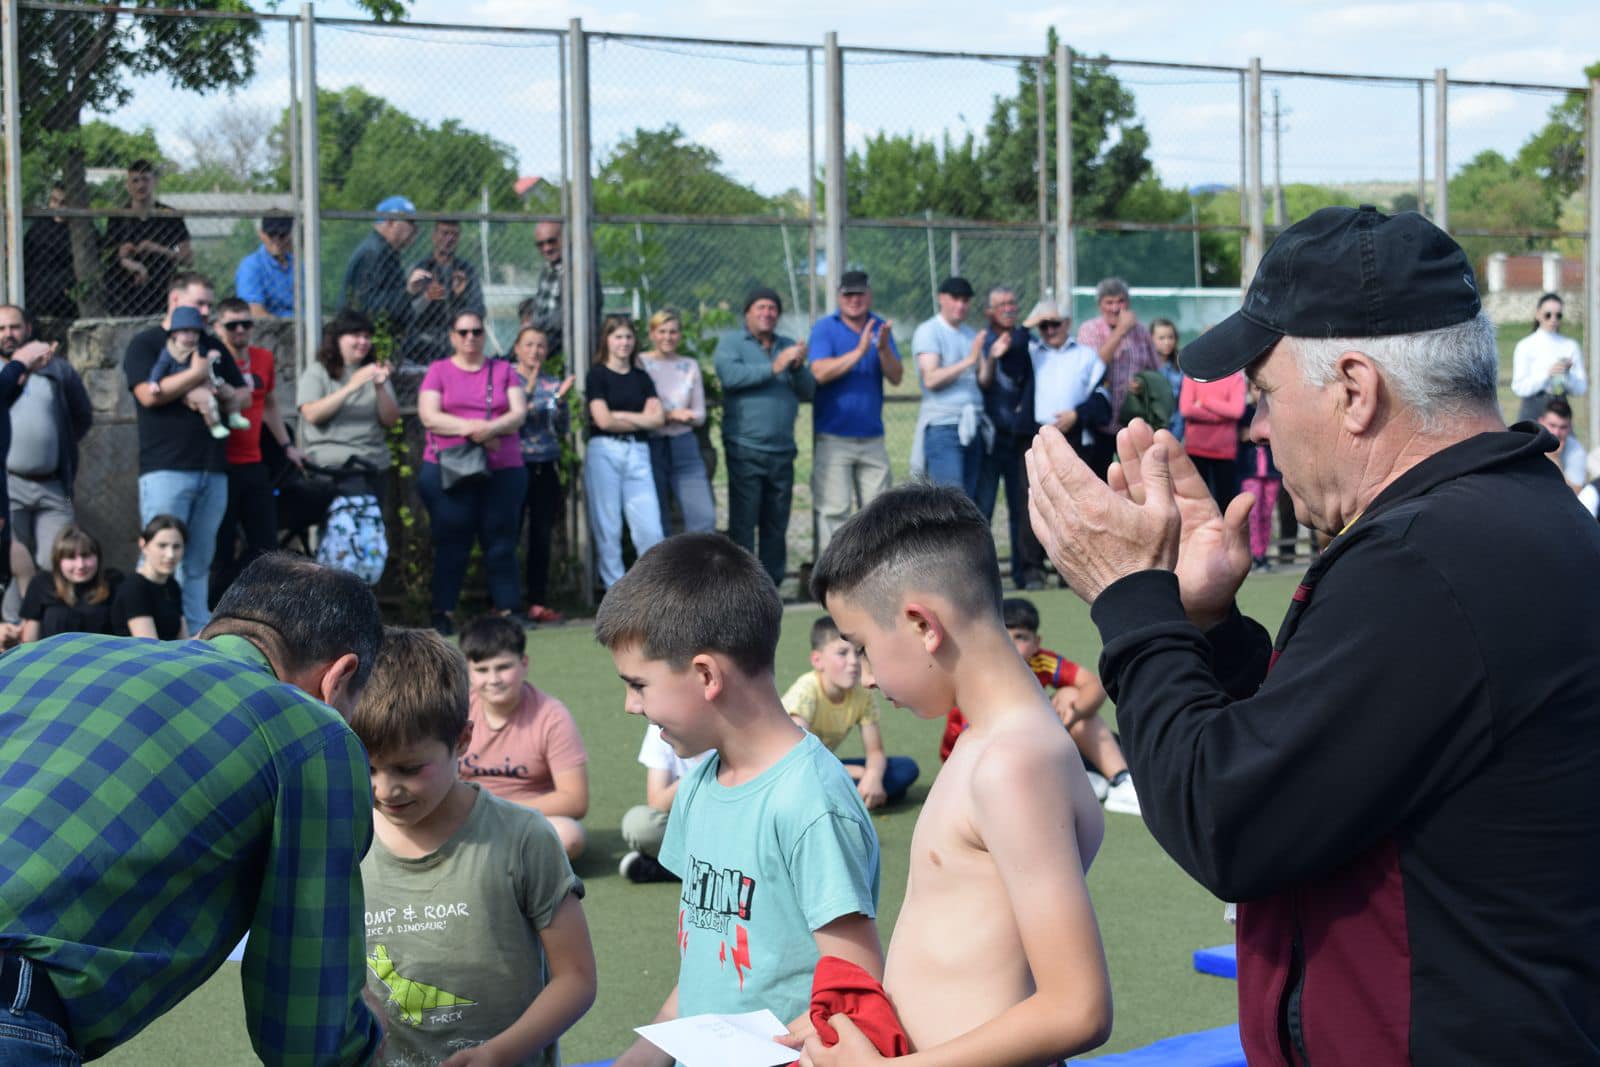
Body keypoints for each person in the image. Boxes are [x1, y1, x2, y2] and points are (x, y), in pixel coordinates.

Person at [1025, 203, 1600, 1063]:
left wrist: (1130, 599)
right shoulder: (1518, 516)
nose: (1258, 426)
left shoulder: (1423, 559)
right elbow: (1328, 760)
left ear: (1356, 390)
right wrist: (1208, 627)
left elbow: (1230, 819)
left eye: (1265, 393)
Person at [0, 552, 386, 1064]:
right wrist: (366, 1044)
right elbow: (308, 1033)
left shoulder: (43, 655)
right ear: (339, 676)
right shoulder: (313, 732)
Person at [803, 483, 1110, 1067]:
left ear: (923, 624)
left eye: (863, 646)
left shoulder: (1013, 764)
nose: (866, 676)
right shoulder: (988, 741)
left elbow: (1079, 1009)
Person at [599, 534, 883, 1067]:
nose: (631, 705)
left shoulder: (811, 802)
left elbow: (854, 985)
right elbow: (706, 969)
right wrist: (645, 1054)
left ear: (706, 675)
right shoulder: (699, 785)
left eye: (639, 685)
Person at [353, 627, 596, 1066]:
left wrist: (499, 1053)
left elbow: (576, 979)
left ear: (463, 740)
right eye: (367, 768)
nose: (385, 789)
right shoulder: (343, 842)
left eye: (409, 768)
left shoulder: (524, 837)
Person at [122, 272, 246, 634]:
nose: (206, 312)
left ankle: (194, 638)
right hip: (166, 469)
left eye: (209, 304)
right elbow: (148, 394)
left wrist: (225, 394)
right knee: (161, 558)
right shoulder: (146, 344)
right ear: (175, 301)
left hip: (213, 469)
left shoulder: (211, 343)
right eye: (199, 303)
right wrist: (197, 374)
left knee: (199, 563)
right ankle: (150, 641)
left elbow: (243, 394)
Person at [942, 596, 1137, 813]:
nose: (1011, 643)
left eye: (1021, 637)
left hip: (1025, 745)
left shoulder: (1040, 661)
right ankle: (1066, 780)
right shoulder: (977, 676)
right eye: (1003, 634)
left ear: (1036, 642)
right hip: (973, 764)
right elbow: (978, 740)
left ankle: (1120, 781)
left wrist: (1073, 712)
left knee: (1071, 695)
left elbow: (1094, 686)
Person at [417, 310, 528, 633]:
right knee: (451, 541)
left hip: (502, 468)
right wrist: (473, 429)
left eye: (477, 332)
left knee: (501, 541)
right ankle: (443, 613)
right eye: (463, 332)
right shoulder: (438, 370)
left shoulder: (503, 370)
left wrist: (491, 428)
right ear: (452, 336)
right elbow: (429, 416)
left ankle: (509, 610)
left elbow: (518, 413)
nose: (470, 338)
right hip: (448, 468)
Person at [458, 613, 590, 860]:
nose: (493, 680)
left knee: (570, 835)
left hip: (524, 820)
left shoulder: (552, 716)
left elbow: (575, 800)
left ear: (524, 663)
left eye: (503, 667)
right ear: (468, 670)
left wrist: (497, 810)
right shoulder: (456, 710)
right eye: (482, 670)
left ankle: (486, 861)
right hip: (464, 816)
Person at [715, 286, 814, 588]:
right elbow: (730, 377)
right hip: (745, 447)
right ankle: (741, 588)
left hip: (782, 450)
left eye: (772, 308)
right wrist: (775, 366)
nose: (767, 313)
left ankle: (771, 587)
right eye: (760, 307)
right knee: (744, 523)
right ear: (747, 312)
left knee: (776, 523)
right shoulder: (732, 343)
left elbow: (809, 391)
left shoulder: (786, 345)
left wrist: (797, 368)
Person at [0, 304, 92, 627]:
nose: (8, 334)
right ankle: (13, 628)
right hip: (9, 483)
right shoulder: (5, 376)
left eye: (14, 327)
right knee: (12, 558)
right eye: (1, 329)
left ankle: (55, 628)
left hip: (54, 483)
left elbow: (82, 415)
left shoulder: (57, 369)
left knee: (61, 553)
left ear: (28, 328)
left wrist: (58, 446)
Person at [212, 298, 304, 600]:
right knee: (222, 544)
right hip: (222, 464)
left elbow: (270, 404)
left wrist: (287, 446)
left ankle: (258, 602)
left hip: (254, 461)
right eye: (232, 325)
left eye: (246, 323)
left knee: (265, 544)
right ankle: (218, 605)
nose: (240, 330)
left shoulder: (263, 358)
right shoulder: (212, 360)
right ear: (218, 327)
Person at [808, 270, 902, 557]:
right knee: (834, 512)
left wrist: (883, 349)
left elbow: (896, 376)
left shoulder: (880, 327)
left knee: (880, 514)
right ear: (839, 297)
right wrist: (860, 351)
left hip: (872, 437)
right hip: (833, 437)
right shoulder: (825, 328)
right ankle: (833, 578)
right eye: (848, 294)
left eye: (860, 294)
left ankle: (875, 576)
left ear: (869, 296)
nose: (854, 300)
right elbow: (819, 372)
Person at [781, 615, 920, 808]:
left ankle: (853, 796)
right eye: (842, 653)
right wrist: (857, 772)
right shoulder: (805, 693)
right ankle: (854, 796)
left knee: (905, 768)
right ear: (817, 660)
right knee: (809, 783)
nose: (854, 661)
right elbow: (799, 759)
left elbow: (875, 752)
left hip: (825, 767)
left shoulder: (861, 693)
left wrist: (872, 776)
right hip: (792, 771)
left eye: (857, 652)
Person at [584, 314, 664, 591]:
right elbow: (603, 421)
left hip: (638, 451)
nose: (624, 342)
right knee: (609, 528)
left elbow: (657, 419)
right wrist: (640, 418)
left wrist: (620, 415)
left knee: (650, 529)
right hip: (604, 450)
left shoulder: (642, 378)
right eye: (618, 336)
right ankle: (616, 595)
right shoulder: (597, 375)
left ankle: (652, 592)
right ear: (607, 340)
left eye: (629, 337)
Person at [974, 286, 1045, 590]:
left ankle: (1024, 573)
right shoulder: (983, 340)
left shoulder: (1028, 340)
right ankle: (981, 578)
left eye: (1011, 303)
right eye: (1000, 304)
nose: (1007, 308)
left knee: (1022, 507)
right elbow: (983, 381)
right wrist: (992, 356)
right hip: (991, 437)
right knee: (984, 508)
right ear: (989, 311)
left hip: (1021, 437)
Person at [298, 308, 400, 496]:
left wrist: (380, 387)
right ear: (337, 339)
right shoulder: (318, 372)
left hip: (373, 463)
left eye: (367, 337)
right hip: (332, 466)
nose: (363, 342)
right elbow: (311, 414)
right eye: (356, 335)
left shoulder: (375, 371)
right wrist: (351, 386)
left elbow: (390, 421)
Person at [512, 325, 573, 625]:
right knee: (509, 535)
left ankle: (537, 602)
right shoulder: (507, 379)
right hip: (514, 466)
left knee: (541, 536)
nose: (535, 351)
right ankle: (506, 604)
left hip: (546, 465)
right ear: (517, 349)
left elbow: (561, 427)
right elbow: (515, 419)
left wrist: (559, 403)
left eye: (540, 346)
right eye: (529, 345)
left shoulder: (553, 383)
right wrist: (531, 387)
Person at [641, 308, 715, 534]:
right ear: (652, 334)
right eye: (662, 331)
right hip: (650, 444)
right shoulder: (640, 363)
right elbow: (638, 408)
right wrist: (672, 415)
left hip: (684, 444)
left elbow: (699, 415)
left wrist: (668, 415)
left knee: (703, 516)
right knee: (656, 518)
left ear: (680, 335)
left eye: (673, 332)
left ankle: (700, 558)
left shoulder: (689, 365)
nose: (668, 337)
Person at [618, 722, 711, 885]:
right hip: (691, 829)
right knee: (640, 824)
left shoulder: (733, 725)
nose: (632, 710)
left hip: (733, 828)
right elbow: (658, 804)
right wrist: (701, 773)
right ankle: (698, 871)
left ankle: (673, 869)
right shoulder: (660, 728)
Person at [1029, 299, 1112, 477]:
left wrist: (1077, 415)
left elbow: (1102, 398)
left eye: (1055, 324)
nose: (1050, 331)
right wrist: (1029, 322)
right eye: (1043, 325)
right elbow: (1013, 346)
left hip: (1077, 436)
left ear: (1067, 323)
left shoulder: (1087, 355)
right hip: (1039, 435)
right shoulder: (1031, 353)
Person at [102, 160, 192, 318]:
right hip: (125, 294)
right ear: (128, 185)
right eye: (135, 180)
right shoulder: (118, 217)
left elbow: (187, 259)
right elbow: (107, 255)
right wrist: (123, 256)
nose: (140, 185)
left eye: (145, 179)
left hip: (161, 289)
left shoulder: (170, 215)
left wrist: (158, 249)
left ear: (154, 181)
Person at [1076, 276, 1159, 440]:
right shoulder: (1089, 329)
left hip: (1133, 422)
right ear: (1100, 305)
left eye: (1120, 301)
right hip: (1099, 423)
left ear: (1128, 303)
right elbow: (1093, 368)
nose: (1115, 308)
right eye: (1109, 302)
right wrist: (1121, 330)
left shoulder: (1141, 331)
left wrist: (1143, 383)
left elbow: (1155, 370)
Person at [340, 195, 430, 344]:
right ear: (390, 222)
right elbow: (367, 306)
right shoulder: (374, 253)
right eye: (409, 222)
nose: (415, 229)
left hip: (382, 340)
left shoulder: (387, 251)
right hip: (366, 341)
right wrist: (407, 292)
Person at [19, 525, 118, 644]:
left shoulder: (114, 582)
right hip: (54, 654)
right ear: (58, 560)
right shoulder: (42, 583)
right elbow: (29, 640)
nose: (80, 565)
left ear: (98, 557)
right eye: (71, 557)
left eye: (86, 555)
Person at [404, 218, 485, 364]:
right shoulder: (420, 268)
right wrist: (426, 298)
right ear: (434, 236)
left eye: (454, 234)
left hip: (457, 343)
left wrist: (459, 296)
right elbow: (405, 313)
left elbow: (479, 310)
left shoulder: (467, 270)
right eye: (445, 233)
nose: (449, 239)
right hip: (422, 343)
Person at [524, 220, 602, 362]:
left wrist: (537, 328)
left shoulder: (579, 266)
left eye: (552, 241)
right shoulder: (548, 268)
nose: (547, 248)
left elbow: (568, 315)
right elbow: (541, 303)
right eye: (541, 244)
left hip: (568, 344)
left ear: (564, 239)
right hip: (545, 337)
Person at [1511, 291, 1586, 422]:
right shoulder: (1525, 345)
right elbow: (1519, 387)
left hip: (1560, 408)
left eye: (1558, 315)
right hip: (1533, 407)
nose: (1553, 319)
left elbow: (1580, 389)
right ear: (1537, 314)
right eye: (1548, 314)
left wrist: (1567, 375)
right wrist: (1547, 373)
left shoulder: (1570, 345)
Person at [1178, 367, 1247, 509]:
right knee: (1196, 503)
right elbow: (1186, 409)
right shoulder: (1193, 375)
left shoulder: (1235, 377)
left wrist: (1205, 401)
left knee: (1225, 504)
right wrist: (1220, 416)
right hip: (1196, 449)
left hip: (1224, 452)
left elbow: (1236, 411)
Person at [111, 514, 187, 640]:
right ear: (143, 545)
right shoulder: (133, 588)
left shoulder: (172, 585)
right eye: (162, 545)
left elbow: (184, 640)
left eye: (176, 546)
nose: (170, 555)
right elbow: (150, 646)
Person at [1237, 390, 1281, 571]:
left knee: (1266, 514)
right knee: (1253, 513)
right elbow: (1240, 435)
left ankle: (1262, 554)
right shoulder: (1244, 412)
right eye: (1254, 388)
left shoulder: (1275, 410)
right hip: (1250, 471)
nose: (1258, 392)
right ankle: (1254, 553)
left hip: (1271, 471)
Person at [22, 184, 78, 321]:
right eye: (54, 200)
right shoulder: (39, 225)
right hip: (36, 289)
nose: (57, 206)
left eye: (63, 203)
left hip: (65, 290)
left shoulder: (80, 228)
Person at [233, 213, 296, 319]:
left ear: (290, 235)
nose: (276, 241)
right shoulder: (251, 266)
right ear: (261, 234)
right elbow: (254, 312)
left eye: (282, 235)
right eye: (271, 234)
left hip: (303, 324)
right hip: (271, 328)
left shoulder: (298, 264)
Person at [1537, 395, 1587, 490]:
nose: (1557, 433)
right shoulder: (1529, 443)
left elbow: (1576, 492)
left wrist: (1555, 459)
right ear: (1541, 422)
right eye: (1552, 425)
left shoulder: (1576, 450)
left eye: (1563, 427)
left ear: (1570, 427)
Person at [1150, 317, 1185, 441]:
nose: (1167, 342)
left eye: (1170, 337)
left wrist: (1178, 431)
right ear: (1151, 339)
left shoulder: (1181, 365)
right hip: (1151, 426)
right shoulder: (1146, 365)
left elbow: (1182, 402)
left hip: (1175, 425)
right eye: (1161, 338)